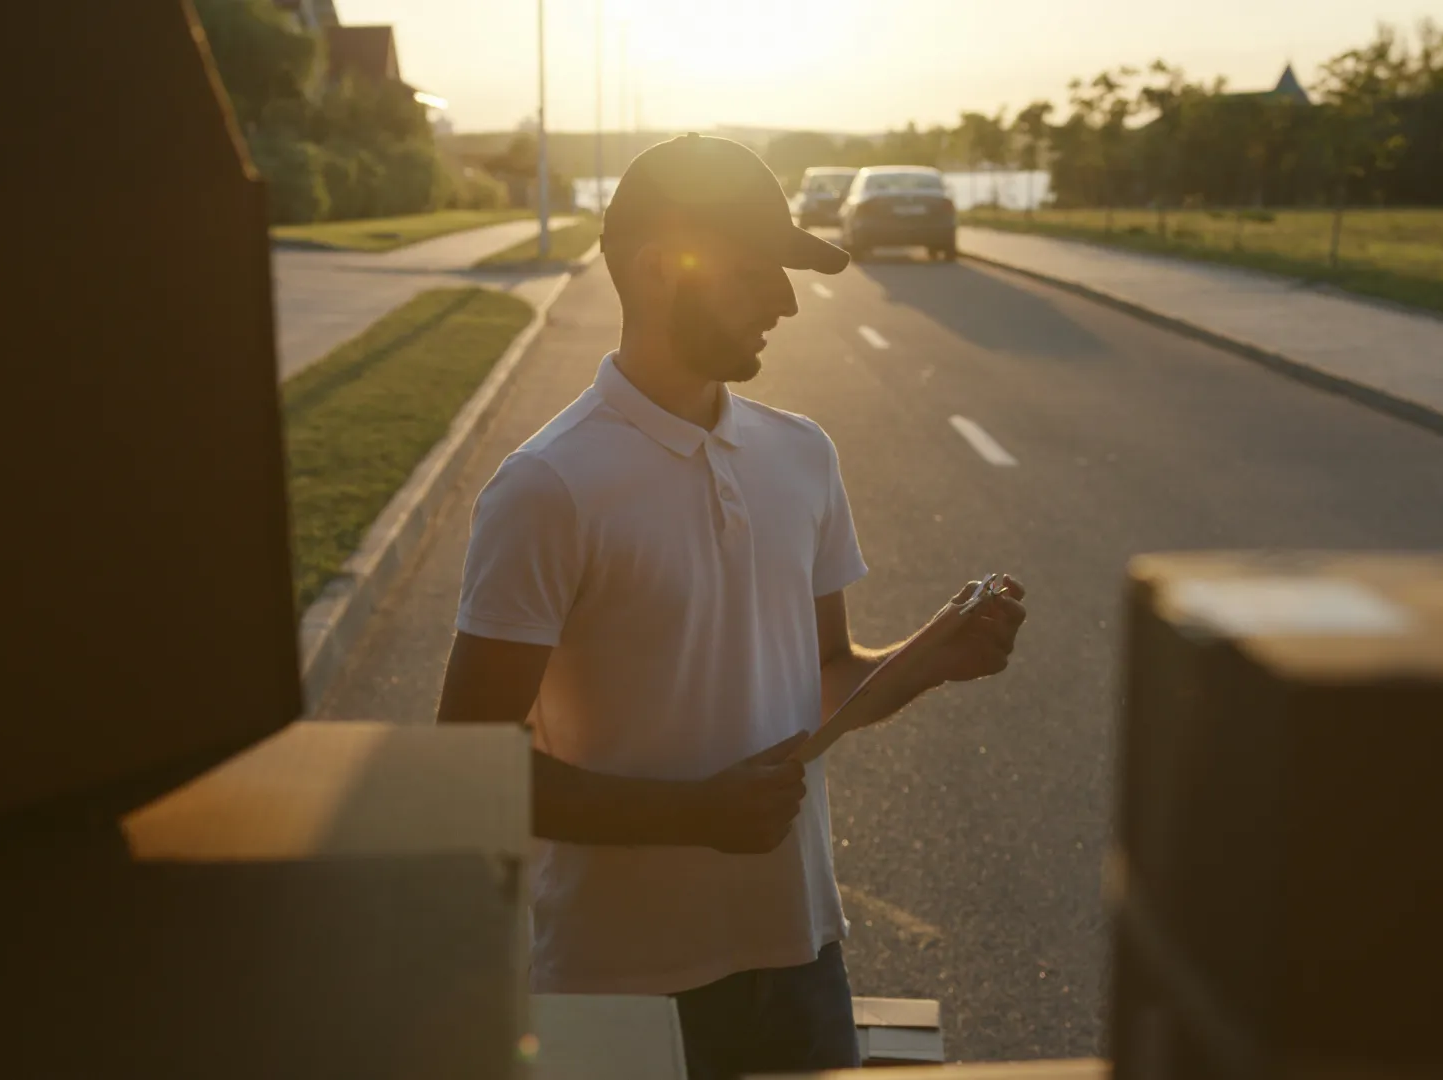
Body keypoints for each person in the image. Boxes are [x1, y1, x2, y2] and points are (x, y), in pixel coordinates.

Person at [436, 133, 1028, 1080]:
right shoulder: (547, 488)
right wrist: (691, 814)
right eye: (757, 273)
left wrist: (931, 656)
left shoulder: (803, 455)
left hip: (800, 961)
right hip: (614, 988)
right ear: (656, 269)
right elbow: (465, 772)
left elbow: (827, 672)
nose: (789, 302)